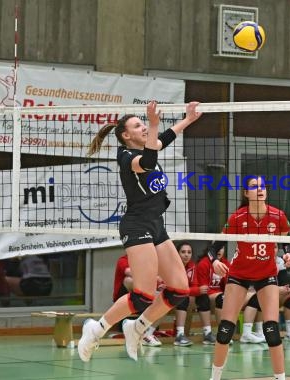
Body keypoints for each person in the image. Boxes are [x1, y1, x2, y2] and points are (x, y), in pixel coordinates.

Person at [78, 101, 202, 362]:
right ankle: (95, 329)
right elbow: (147, 162)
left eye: (144, 124)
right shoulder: (125, 156)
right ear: (126, 135)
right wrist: (155, 124)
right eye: (138, 125)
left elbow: (164, 139)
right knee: (143, 294)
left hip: (155, 224)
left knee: (179, 290)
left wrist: (188, 120)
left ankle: (137, 327)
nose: (144, 127)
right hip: (137, 225)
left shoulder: (149, 147)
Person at [208, 175, 290, 380]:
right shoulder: (237, 218)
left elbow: (288, 241)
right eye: (254, 186)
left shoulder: (277, 216)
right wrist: (214, 262)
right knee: (226, 329)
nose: (260, 189)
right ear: (246, 193)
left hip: (267, 275)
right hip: (239, 275)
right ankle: (215, 377)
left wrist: (288, 253)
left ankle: (280, 378)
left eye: (262, 185)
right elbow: (213, 247)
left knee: (272, 329)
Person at [241, 247, 290, 344]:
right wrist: (277, 289)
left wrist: (285, 289)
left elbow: (283, 283)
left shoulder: (280, 262)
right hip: (249, 293)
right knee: (260, 296)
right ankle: (251, 333)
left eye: (275, 247)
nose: (273, 249)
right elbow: (254, 286)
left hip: (271, 293)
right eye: (271, 247)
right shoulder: (257, 260)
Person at [112, 254, 164, 347]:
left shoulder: (146, 260)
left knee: (164, 300)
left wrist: (160, 285)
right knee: (128, 280)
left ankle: (148, 333)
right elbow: (129, 272)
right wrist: (154, 277)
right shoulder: (123, 260)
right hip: (125, 297)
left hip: (144, 296)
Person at [195, 245, 229, 345]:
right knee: (220, 298)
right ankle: (215, 333)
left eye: (222, 248)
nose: (219, 250)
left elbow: (228, 284)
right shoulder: (204, 263)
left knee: (225, 297)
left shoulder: (225, 263)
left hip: (219, 294)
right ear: (211, 250)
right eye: (217, 247)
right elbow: (203, 289)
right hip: (206, 294)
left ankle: (224, 333)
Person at [172, 241, 201, 347]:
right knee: (184, 298)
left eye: (189, 252)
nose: (186, 255)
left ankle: (182, 333)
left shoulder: (192, 266)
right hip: (166, 296)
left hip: (182, 297)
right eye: (183, 252)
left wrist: (193, 291)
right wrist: (194, 291)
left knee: (190, 299)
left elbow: (195, 286)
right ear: (177, 253)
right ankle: (148, 333)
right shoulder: (172, 265)